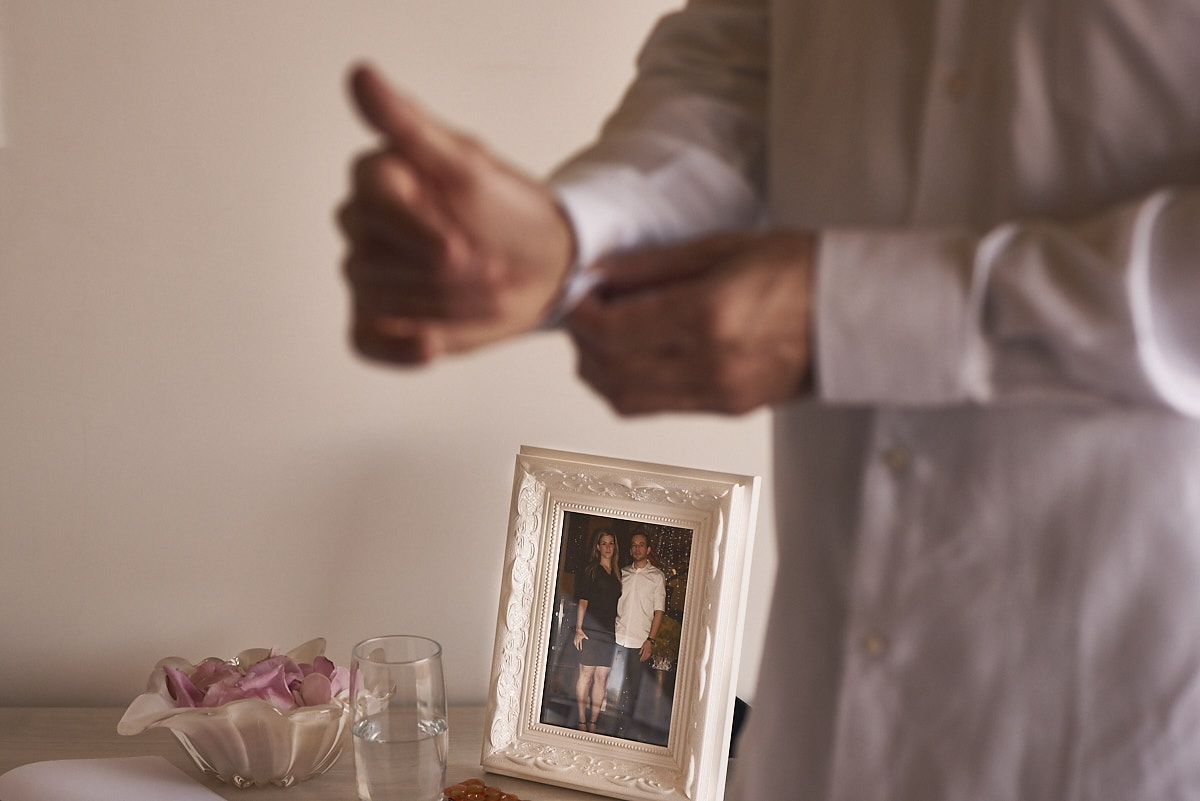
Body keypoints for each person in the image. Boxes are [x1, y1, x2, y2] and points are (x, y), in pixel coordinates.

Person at [337, 1, 1200, 797]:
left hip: (1127, 740)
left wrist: (867, 312)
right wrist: (577, 230)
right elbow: (735, 65)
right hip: (814, 737)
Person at [612, 530, 666, 743]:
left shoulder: (657, 576)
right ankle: (610, 730)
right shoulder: (622, 572)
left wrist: (650, 640)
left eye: (641, 545)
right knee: (612, 688)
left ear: (648, 549)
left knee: (633, 691)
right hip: (616, 638)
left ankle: (626, 733)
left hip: (639, 642)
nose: (637, 548)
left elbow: (659, 611)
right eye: (634, 545)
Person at [571, 528, 621, 733]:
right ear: (598, 547)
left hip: (609, 632)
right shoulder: (591, 569)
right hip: (590, 630)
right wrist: (579, 628)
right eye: (604, 543)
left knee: (602, 679)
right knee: (586, 676)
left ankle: (593, 722)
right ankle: (582, 720)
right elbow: (583, 599)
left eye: (611, 543)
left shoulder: (617, 572)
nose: (608, 547)